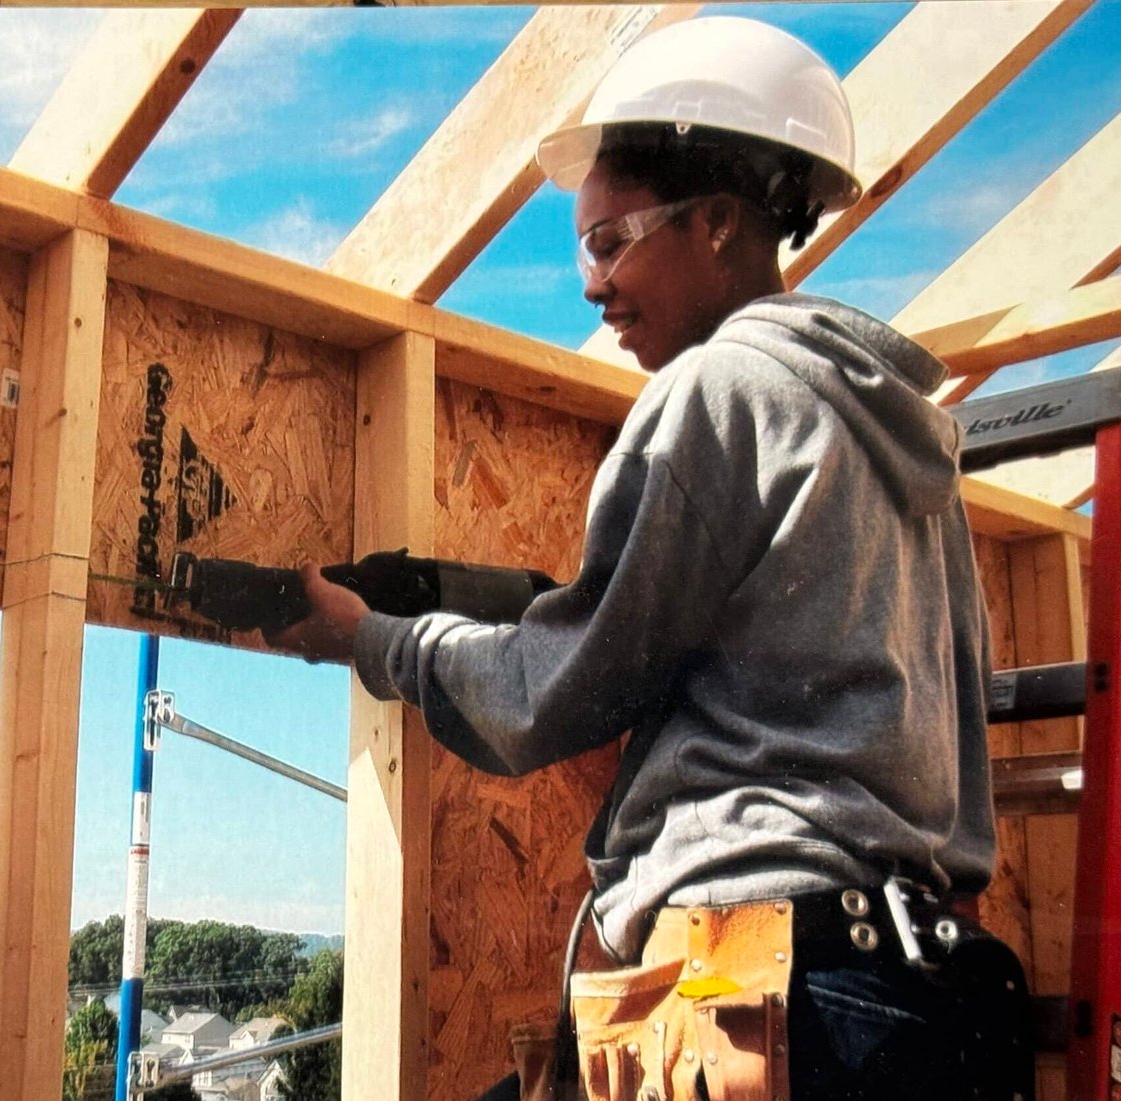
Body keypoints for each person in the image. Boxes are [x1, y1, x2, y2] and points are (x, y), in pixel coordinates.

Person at [270, 16, 1034, 1101]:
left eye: (609, 239)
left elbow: (555, 687)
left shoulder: (717, 392)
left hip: (749, 974)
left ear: (719, 222)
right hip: (910, 994)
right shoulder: (904, 443)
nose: (589, 283)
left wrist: (376, 641)